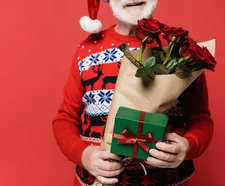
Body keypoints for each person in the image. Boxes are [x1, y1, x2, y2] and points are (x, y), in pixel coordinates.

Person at [52, 0, 215, 185]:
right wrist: (84, 155)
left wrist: (188, 146)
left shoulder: (181, 50)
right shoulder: (87, 50)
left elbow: (201, 119)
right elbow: (64, 119)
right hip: (93, 181)